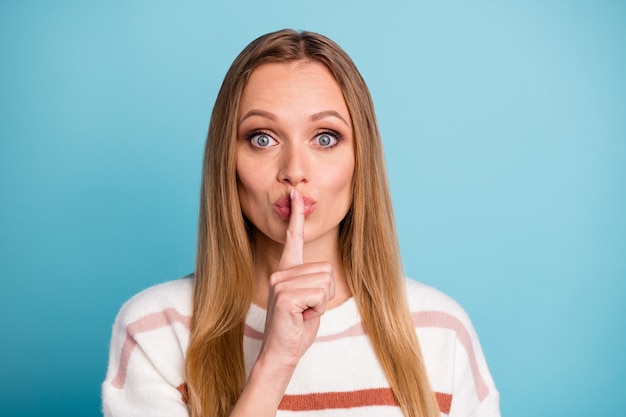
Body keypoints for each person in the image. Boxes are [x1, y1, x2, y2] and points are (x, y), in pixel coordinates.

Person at [102, 29, 500, 417]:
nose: (294, 170)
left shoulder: (440, 331)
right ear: (228, 161)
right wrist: (274, 363)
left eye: (325, 138)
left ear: (361, 160)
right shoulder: (156, 329)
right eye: (262, 138)